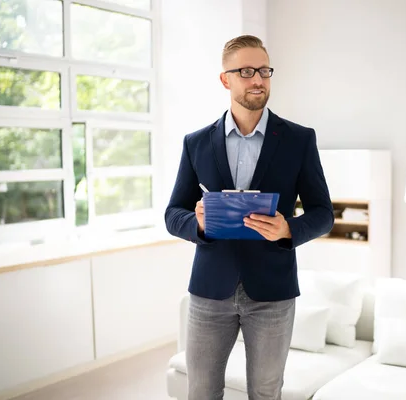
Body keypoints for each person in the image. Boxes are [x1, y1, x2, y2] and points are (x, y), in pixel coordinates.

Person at [164, 34, 334, 400]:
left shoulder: (299, 140)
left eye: (264, 71)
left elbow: (323, 213)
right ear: (225, 79)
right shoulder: (196, 143)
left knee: (267, 393)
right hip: (209, 291)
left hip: (273, 293)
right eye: (246, 71)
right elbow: (172, 214)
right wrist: (198, 224)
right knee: (202, 392)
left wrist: (289, 228)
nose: (258, 79)